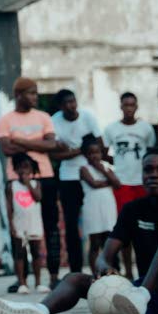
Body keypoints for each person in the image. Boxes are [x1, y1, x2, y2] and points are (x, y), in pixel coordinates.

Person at [0, 148, 158, 314]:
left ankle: (141, 296)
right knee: (74, 279)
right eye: (148, 169)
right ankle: (39, 311)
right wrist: (104, 267)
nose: (153, 175)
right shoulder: (133, 209)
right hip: (142, 301)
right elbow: (104, 255)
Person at [0, 78, 62, 288]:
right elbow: (6, 149)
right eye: (31, 93)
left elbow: (52, 145)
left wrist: (21, 141)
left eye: (36, 93)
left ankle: (52, 277)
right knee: (20, 231)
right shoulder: (6, 120)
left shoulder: (43, 117)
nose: (35, 97)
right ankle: (22, 279)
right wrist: (38, 144)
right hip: (17, 180)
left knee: (50, 228)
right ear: (19, 95)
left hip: (44, 176)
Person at [104, 92, 155, 279]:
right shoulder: (111, 129)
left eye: (132, 105)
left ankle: (148, 269)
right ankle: (127, 271)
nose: (129, 108)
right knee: (125, 227)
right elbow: (101, 153)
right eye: (126, 105)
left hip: (142, 183)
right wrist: (114, 167)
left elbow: (151, 154)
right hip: (122, 183)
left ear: (137, 106)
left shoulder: (146, 129)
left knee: (145, 227)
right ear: (120, 106)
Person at [50, 89, 101, 275]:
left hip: (92, 173)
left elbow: (99, 144)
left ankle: (109, 267)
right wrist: (82, 149)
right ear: (60, 106)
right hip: (68, 178)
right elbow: (54, 155)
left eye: (73, 101)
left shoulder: (88, 117)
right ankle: (76, 271)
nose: (72, 106)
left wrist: (72, 152)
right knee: (71, 226)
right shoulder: (54, 121)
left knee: (100, 224)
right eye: (67, 103)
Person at [79, 135, 119, 273]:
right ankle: (95, 272)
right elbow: (94, 184)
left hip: (107, 206)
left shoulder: (107, 166)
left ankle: (112, 270)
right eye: (91, 153)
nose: (94, 156)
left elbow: (117, 184)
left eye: (97, 152)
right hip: (92, 206)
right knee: (95, 241)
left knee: (109, 240)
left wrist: (102, 170)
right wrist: (107, 180)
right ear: (85, 155)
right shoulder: (84, 169)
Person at [6, 154, 43, 293]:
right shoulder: (12, 186)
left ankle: (38, 282)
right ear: (15, 170)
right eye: (20, 168)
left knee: (36, 252)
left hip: (34, 224)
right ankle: (22, 283)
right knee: (20, 253)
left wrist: (28, 184)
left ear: (32, 170)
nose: (23, 171)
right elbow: (9, 207)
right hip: (19, 225)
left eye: (26, 167)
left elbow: (38, 198)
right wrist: (11, 225)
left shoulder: (36, 184)